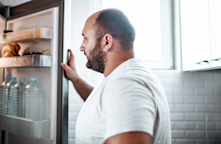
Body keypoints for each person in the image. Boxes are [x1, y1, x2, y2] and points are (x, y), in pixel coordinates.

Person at [61, 8, 171, 144]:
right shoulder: (122, 78)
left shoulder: (126, 83)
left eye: (85, 38)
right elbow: (103, 105)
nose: (81, 47)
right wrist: (75, 79)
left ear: (106, 42)